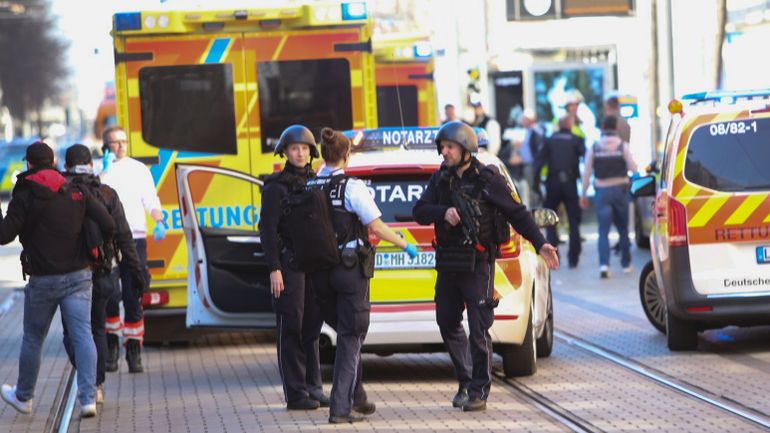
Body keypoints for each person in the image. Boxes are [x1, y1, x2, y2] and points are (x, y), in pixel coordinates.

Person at [413, 121, 559, 412]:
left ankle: (479, 390)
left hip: (479, 264)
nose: (444, 152)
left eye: (450, 147)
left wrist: (541, 243)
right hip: (448, 263)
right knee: (447, 322)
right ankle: (466, 380)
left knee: (479, 329)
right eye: (442, 147)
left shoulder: (488, 179)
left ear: (465, 149)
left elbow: (517, 213)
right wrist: (444, 213)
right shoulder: (440, 179)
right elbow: (419, 211)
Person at [310, 127, 417, 424]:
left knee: (346, 332)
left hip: (318, 273)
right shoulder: (351, 187)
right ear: (346, 156)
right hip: (348, 271)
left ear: (322, 155)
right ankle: (340, 409)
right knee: (351, 334)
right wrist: (405, 244)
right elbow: (378, 226)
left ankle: (357, 397)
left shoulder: (309, 186)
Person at [0, 141, 114, 418]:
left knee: (33, 339)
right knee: (83, 334)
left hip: (43, 280)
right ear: (53, 163)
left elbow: (4, 236)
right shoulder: (75, 190)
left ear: (28, 164)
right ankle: (88, 399)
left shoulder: (24, 194)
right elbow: (108, 225)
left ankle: (24, 396)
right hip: (79, 276)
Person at [61, 144, 146, 405]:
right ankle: (96, 384)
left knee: (73, 332)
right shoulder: (107, 193)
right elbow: (124, 236)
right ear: (91, 163)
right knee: (97, 328)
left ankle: (88, 377)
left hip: (69, 274)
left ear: (67, 166)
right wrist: (137, 271)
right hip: (103, 273)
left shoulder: (59, 192)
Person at [259, 125, 330, 411]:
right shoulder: (275, 187)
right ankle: (296, 393)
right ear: (285, 152)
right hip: (288, 267)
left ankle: (314, 386)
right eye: (294, 148)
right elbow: (267, 230)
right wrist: (274, 267)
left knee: (312, 328)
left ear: (311, 152)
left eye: (304, 148)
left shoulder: (317, 181)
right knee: (292, 326)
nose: (300, 153)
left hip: (314, 267)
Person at [101, 125, 165, 373]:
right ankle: (112, 347)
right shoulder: (101, 170)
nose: (121, 146)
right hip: (109, 241)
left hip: (135, 239)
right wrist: (103, 171)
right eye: (115, 142)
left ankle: (134, 351)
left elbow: (150, 199)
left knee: (133, 293)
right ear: (105, 146)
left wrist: (159, 220)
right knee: (109, 295)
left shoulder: (139, 169)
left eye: (123, 141)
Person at [580, 115, 638, 278]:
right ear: (616, 128)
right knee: (623, 229)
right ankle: (626, 264)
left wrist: (583, 194)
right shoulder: (623, 146)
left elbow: (587, 172)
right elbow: (634, 168)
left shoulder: (595, 147)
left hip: (602, 193)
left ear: (603, 128)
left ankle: (604, 265)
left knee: (603, 230)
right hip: (620, 191)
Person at [534, 115, 585, 268]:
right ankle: (573, 257)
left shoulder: (550, 140)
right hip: (569, 183)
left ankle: (554, 254)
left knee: (551, 220)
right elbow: (587, 157)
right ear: (570, 125)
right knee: (573, 220)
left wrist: (536, 184)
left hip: (553, 183)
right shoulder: (576, 140)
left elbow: (539, 161)